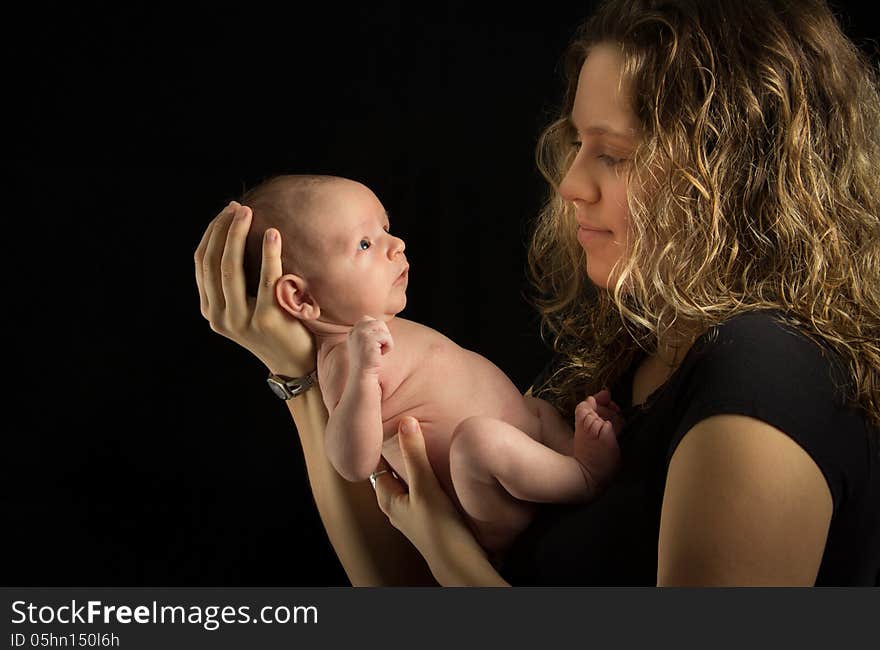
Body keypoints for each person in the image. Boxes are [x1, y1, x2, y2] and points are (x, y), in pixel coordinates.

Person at [195, 0, 880, 586]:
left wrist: (451, 556)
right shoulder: (649, 344)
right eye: (578, 142)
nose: (571, 184)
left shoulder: (765, 374)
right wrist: (297, 368)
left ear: (732, 174)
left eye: (613, 153)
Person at [233, 173, 624, 555]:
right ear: (301, 298)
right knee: (479, 440)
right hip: (487, 496)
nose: (397, 245)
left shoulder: (375, 326)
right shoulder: (345, 358)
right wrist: (365, 375)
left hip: (516, 456)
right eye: (365, 244)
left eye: (386, 229)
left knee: (534, 408)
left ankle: (569, 454)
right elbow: (353, 462)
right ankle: (583, 476)